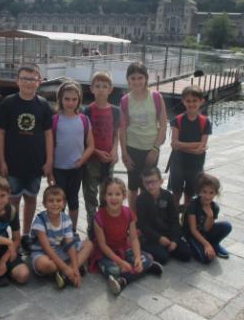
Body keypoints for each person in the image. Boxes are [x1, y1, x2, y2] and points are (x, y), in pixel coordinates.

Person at [0, 64, 54, 253]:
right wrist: (2, 161)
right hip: (12, 162)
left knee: (30, 199)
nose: (28, 83)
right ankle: (13, 234)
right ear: (17, 80)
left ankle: (26, 234)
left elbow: (48, 135)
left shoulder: (44, 105)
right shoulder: (7, 103)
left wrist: (49, 161)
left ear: (39, 82)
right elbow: (1, 133)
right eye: (25, 78)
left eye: (32, 79)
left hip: (35, 163)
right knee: (12, 200)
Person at [90, 178, 163, 295]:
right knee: (113, 270)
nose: (114, 198)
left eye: (117, 194)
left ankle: (123, 280)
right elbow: (103, 246)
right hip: (106, 253)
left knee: (147, 257)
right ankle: (144, 269)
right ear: (104, 196)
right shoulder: (99, 218)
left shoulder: (128, 213)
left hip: (124, 248)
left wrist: (138, 257)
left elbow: (134, 238)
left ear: (123, 196)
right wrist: (120, 262)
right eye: (110, 194)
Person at [120, 61, 167, 213]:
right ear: (128, 80)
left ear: (146, 78)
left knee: (150, 185)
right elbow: (122, 129)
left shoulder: (156, 97)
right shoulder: (125, 100)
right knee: (133, 186)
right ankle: (133, 219)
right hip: (133, 147)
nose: (137, 81)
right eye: (133, 78)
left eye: (140, 77)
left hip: (151, 148)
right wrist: (124, 154)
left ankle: (147, 216)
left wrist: (155, 149)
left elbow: (163, 125)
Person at [30, 186, 93, 289]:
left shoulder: (66, 219)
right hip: (43, 253)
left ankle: (66, 273)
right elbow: (47, 249)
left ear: (63, 203)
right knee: (45, 265)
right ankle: (66, 269)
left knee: (89, 244)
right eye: (51, 201)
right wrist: (65, 268)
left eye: (58, 200)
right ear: (44, 203)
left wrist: (75, 270)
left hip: (60, 250)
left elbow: (69, 244)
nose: (55, 204)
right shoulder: (39, 220)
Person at [52, 80, 94, 232]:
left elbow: (91, 145)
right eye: (67, 99)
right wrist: (49, 167)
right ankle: (58, 229)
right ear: (60, 99)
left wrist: (82, 160)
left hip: (77, 168)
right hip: (58, 168)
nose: (70, 102)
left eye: (74, 99)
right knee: (59, 200)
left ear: (79, 100)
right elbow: (50, 145)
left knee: (73, 200)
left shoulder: (83, 119)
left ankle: (73, 230)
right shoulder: (55, 120)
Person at [83, 71, 120, 239]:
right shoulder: (87, 111)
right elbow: (83, 136)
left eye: (105, 87)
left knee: (106, 193)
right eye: (97, 86)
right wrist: (95, 151)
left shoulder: (115, 111)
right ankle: (92, 226)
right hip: (92, 159)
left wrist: (115, 150)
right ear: (91, 89)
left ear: (110, 89)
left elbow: (116, 134)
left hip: (108, 159)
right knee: (91, 195)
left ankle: (106, 224)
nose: (101, 90)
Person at [168, 85, 212, 211]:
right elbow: (174, 143)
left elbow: (201, 145)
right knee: (176, 193)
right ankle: (174, 218)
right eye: (188, 101)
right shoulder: (178, 120)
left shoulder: (205, 122)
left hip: (195, 165)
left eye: (194, 101)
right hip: (178, 163)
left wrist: (180, 145)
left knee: (189, 194)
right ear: (183, 101)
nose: (191, 104)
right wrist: (195, 147)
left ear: (201, 101)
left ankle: (187, 219)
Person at [136, 166, 192, 264]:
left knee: (186, 254)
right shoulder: (141, 199)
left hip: (168, 233)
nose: (150, 186)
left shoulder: (168, 196)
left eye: (153, 181)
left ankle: (166, 249)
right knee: (163, 258)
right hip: (151, 236)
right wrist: (158, 238)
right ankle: (153, 250)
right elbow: (142, 225)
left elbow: (174, 220)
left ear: (161, 181)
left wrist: (174, 240)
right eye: (146, 182)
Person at [183, 173, 232, 264]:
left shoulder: (215, 207)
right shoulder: (193, 205)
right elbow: (193, 230)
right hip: (192, 235)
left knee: (227, 226)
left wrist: (210, 216)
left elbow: (207, 229)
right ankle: (196, 246)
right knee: (207, 259)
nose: (207, 196)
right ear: (199, 192)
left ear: (216, 193)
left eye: (211, 193)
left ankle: (214, 244)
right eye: (204, 192)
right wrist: (206, 244)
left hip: (204, 233)